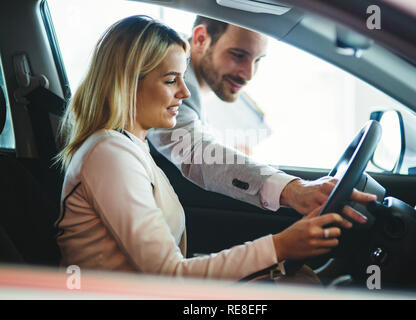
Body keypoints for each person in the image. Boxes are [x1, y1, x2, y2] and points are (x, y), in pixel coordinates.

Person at [54, 15, 375, 280]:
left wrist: (275, 257)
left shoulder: (128, 148)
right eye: (170, 81)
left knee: (302, 279)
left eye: (182, 78)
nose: (184, 92)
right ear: (127, 82)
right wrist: (279, 246)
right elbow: (168, 274)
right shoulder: (110, 154)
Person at [148, 16, 375, 222]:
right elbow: (196, 151)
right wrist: (293, 190)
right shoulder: (169, 83)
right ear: (200, 39)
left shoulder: (191, 88)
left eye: (258, 60)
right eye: (238, 55)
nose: (248, 74)